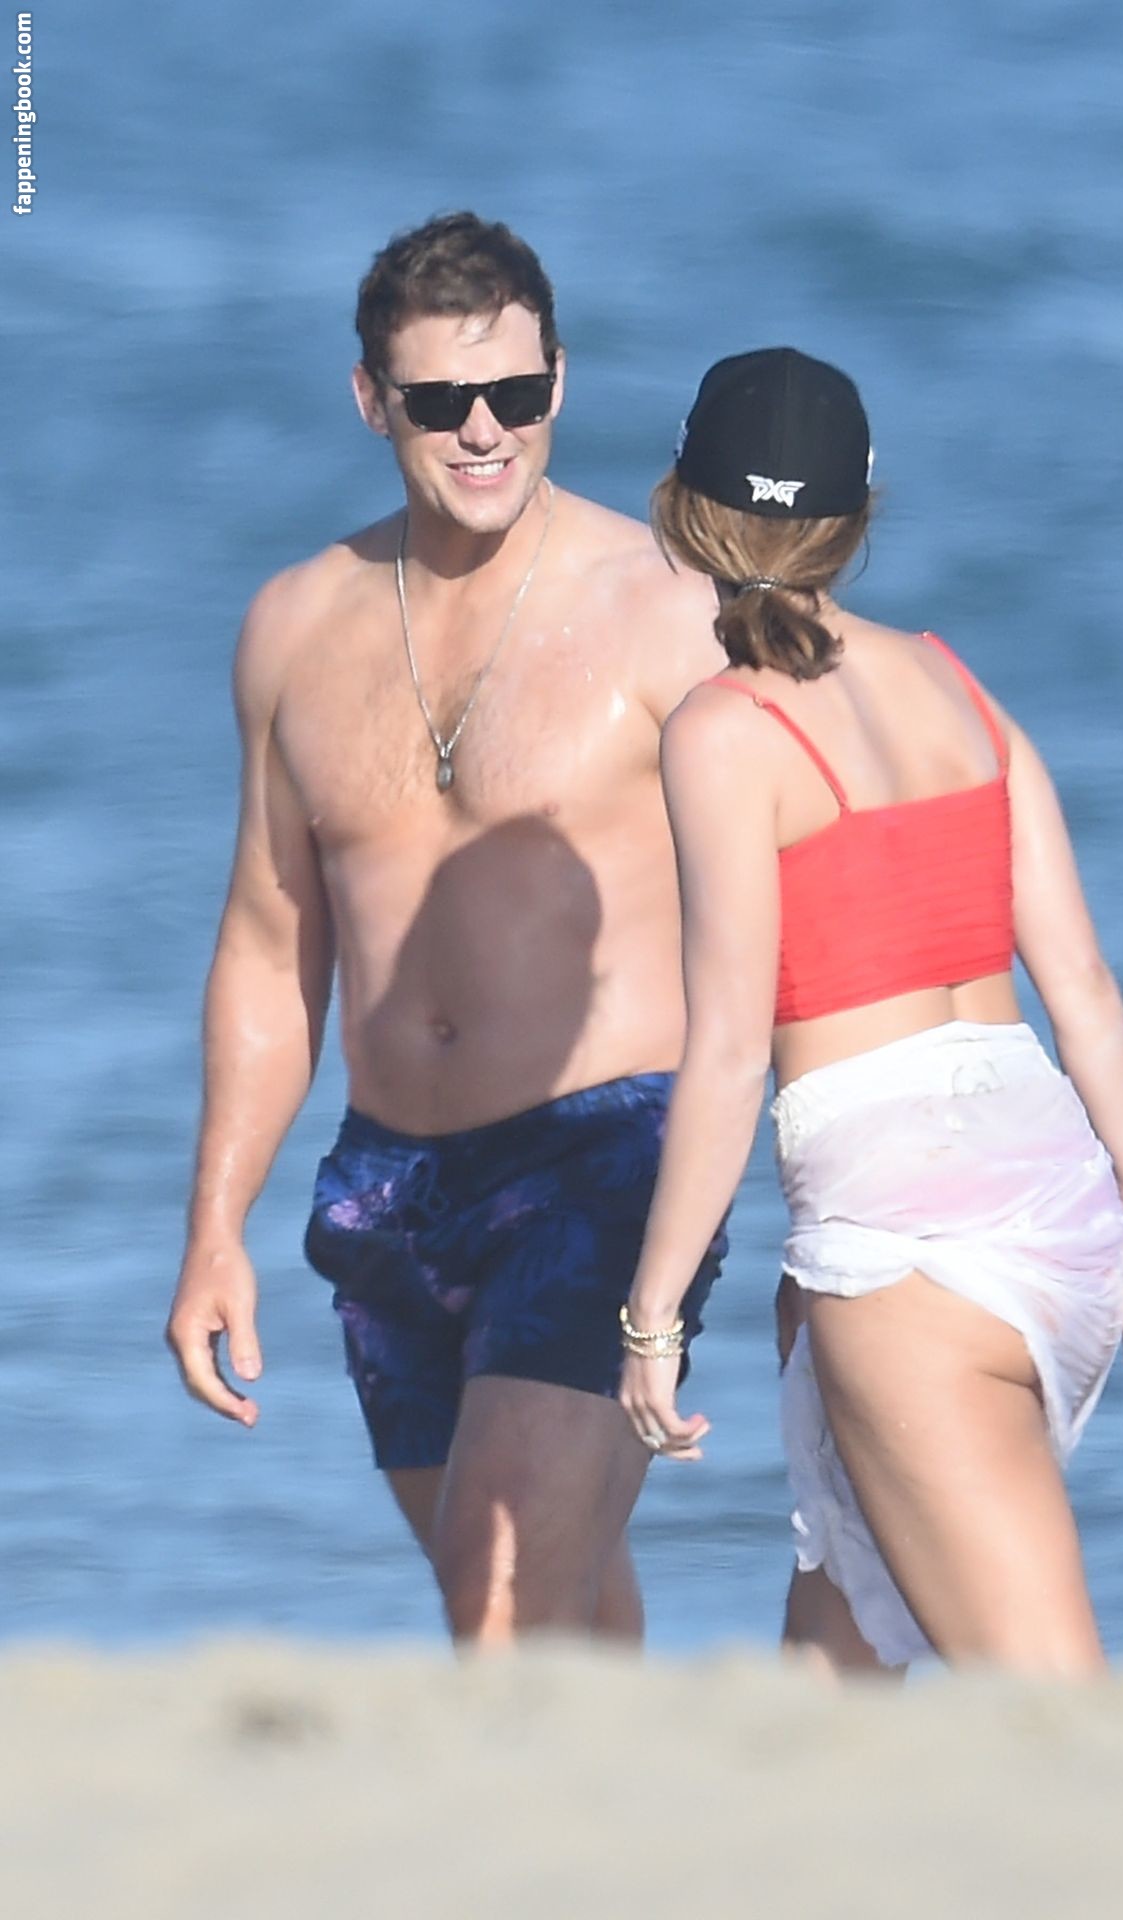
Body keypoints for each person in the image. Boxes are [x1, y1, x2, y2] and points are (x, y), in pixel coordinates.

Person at [164, 211, 729, 1646]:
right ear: (373, 400)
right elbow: (268, 945)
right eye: (441, 402)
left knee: (502, 1592)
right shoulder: (295, 626)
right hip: (387, 1189)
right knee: (551, 1612)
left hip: (607, 1159)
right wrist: (215, 1226)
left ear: (560, 382)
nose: (486, 431)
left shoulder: (671, 613)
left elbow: (804, 883)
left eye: (517, 393)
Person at [618, 347, 1123, 1676]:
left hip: (909, 1251)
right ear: (859, 511)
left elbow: (729, 1057)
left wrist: (653, 1318)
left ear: (681, 510)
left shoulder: (723, 730)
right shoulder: (955, 683)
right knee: (837, 1652)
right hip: (1057, 1203)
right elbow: (1083, 987)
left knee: (1053, 1709)